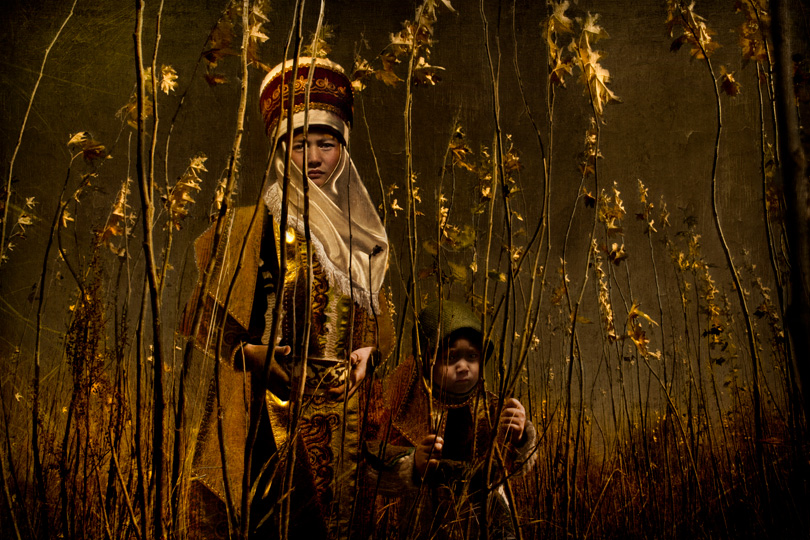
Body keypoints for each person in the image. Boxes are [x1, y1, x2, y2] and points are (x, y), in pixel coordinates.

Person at [184, 57, 393, 540]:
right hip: (271, 410)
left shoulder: (363, 234)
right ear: (281, 151)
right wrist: (252, 354)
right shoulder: (255, 225)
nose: (315, 158)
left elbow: (377, 316)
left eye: (327, 143)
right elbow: (210, 317)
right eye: (301, 145)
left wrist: (369, 352)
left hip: (345, 410)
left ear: (344, 149)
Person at [360, 300, 537, 539]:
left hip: (485, 517)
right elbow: (373, 465)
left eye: (472, 356)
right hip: (425, 516)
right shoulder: (403, 402)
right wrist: (413, 464)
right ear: (426, 361)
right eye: (450, 358)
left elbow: (516, 469)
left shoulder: (493, 406)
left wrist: (519, 437)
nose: (463, 367)